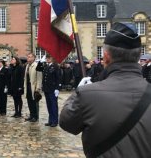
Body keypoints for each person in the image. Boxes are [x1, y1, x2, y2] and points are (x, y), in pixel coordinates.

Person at [60, 22, 151, 158]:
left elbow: (67, 123)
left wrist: (78, 93)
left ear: (106, 56)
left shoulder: (87, 95)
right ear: (138, 56)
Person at [42, 55, 60, 127]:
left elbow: (58, 78)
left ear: (52, 58)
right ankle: (50, 120)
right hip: (47, 88)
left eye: (49, 58)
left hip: (53, 89)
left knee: (53, 105)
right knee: (49, 105)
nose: (47, 59)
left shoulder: (55, 66)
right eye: (46, 58)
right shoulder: (46, 66)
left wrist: (57, 88)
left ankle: (55, 121)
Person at [24, 53, 42, 122]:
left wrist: (38, 88)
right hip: (28, 86)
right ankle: (31, 115)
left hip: (34, 87)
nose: (28, 58)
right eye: (28, 57)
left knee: (34, 102)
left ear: (34, 58)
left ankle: (35, 116)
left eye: (30, 57)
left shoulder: (37, 65)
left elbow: (39, 78)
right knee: (29, 102)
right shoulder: (27, 65)